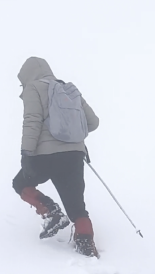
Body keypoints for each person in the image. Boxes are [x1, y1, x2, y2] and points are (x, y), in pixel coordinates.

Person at [12, 56, 101, 257]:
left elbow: (32, 122)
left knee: (20, 183)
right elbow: (93, 122)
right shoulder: (68, 89)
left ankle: (52, 213)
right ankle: (86, 247)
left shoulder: (33, 88)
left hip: (46, 156)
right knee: (77, 206)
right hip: (74, 156)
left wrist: (26, 154)